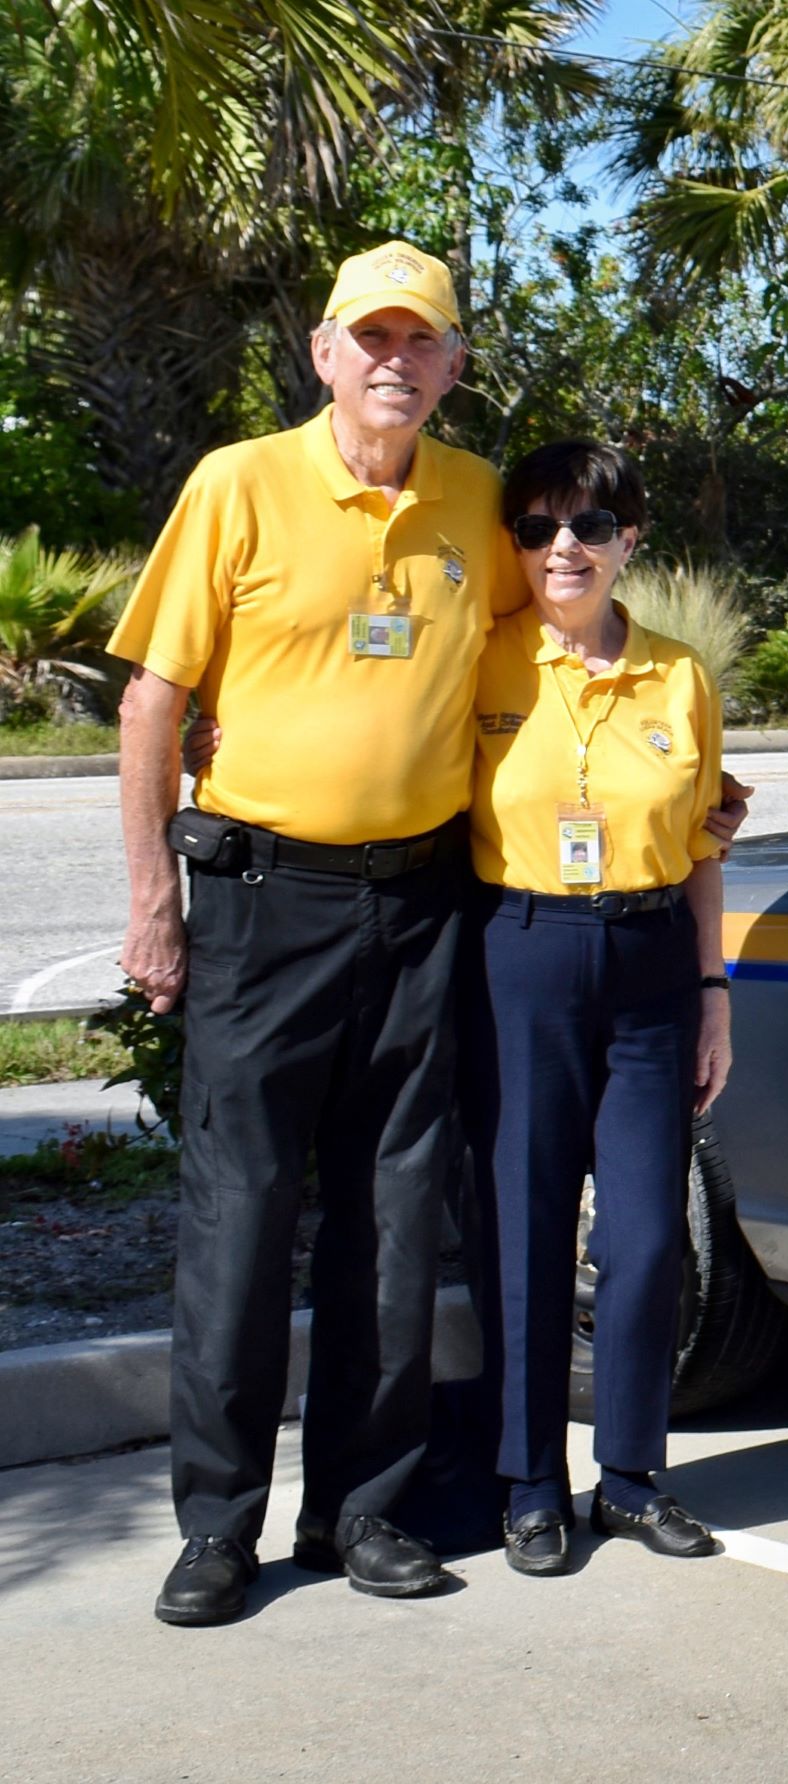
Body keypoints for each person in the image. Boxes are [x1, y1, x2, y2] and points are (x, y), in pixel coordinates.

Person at [114, 244, 743, 1627]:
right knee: (242, 1212)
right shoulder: (239, 483)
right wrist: (156, 903)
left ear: (454, 366)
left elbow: (575, 656)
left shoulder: (479, 505)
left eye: (423, 342)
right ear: (327, 351)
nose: (395, 362)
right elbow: (155, 706)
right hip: (264, 896)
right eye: (372, 338)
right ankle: (218, 1528)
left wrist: (690, 784)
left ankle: (362, 1512)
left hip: (419, 905)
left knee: (398, 1221)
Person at [460, 440, 731, 1576]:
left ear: (631, 540)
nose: (561, 547)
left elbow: (710, 836)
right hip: (522, 952)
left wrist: (715, 988)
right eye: (536, 526)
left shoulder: (679, 673)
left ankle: (630, 1474)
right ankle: (530, 1483)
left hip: (655, 961)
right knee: (524, 1229)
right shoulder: (478, 662)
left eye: (588, 524)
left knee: (650, 1234)